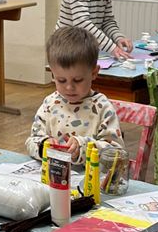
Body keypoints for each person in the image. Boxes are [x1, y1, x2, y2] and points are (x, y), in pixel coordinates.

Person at [26, 27, 123, 164]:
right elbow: (31, 141)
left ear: (94, 73)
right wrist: (43, 146)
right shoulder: (50, 104)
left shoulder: (102, 108)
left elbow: (116, 153)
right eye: (61, 80)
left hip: (90, 182)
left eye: (77, 80)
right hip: (55, 179)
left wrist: (83, 147)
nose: (69, 87)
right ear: (52, 74)